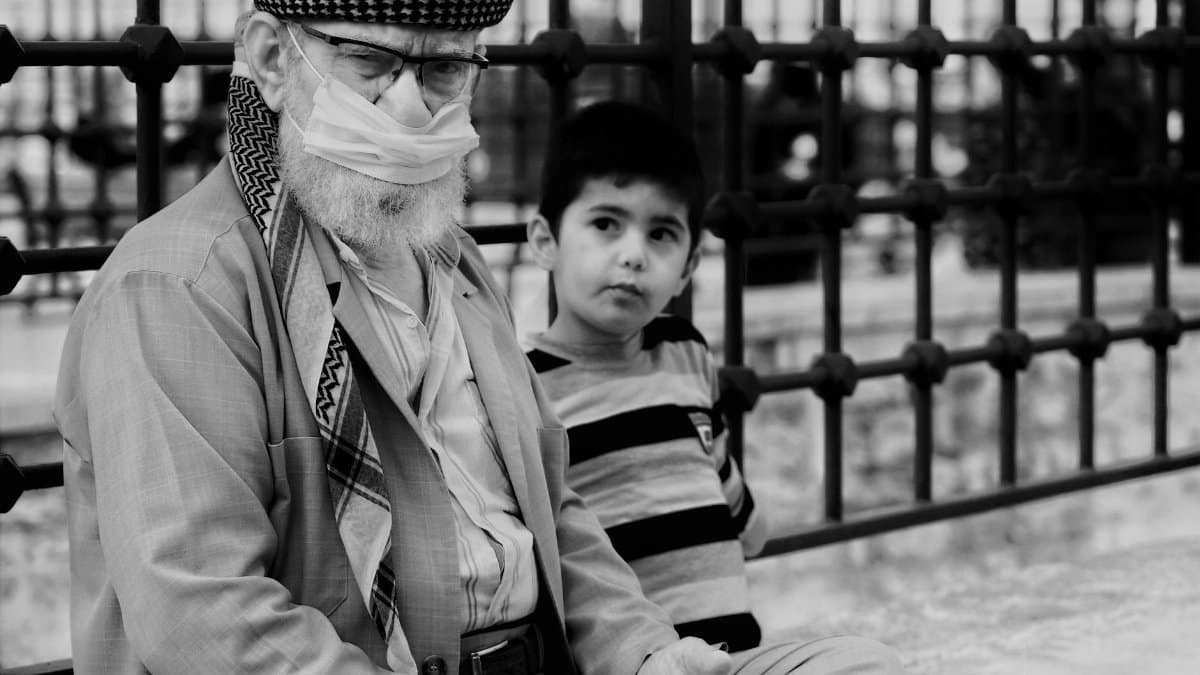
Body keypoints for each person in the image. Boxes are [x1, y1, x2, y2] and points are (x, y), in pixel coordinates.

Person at [53, 3, 733, 673]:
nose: (407, 106)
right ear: (270, 58)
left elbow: (548, 506)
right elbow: (202, 612)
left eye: (442, 67)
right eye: (369, 60)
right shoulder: (179, 285)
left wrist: (644, 652)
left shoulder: (451, 259)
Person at [524, 101, 905, 674]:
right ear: (545, 240)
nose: (632, 254)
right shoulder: (527, 381)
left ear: (688, 264)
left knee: (867, 661)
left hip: (734, 657)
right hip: (634, 664)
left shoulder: (684, 352)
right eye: (605, 224)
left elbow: (717, 472)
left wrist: (743, 520)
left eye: (661, 235)